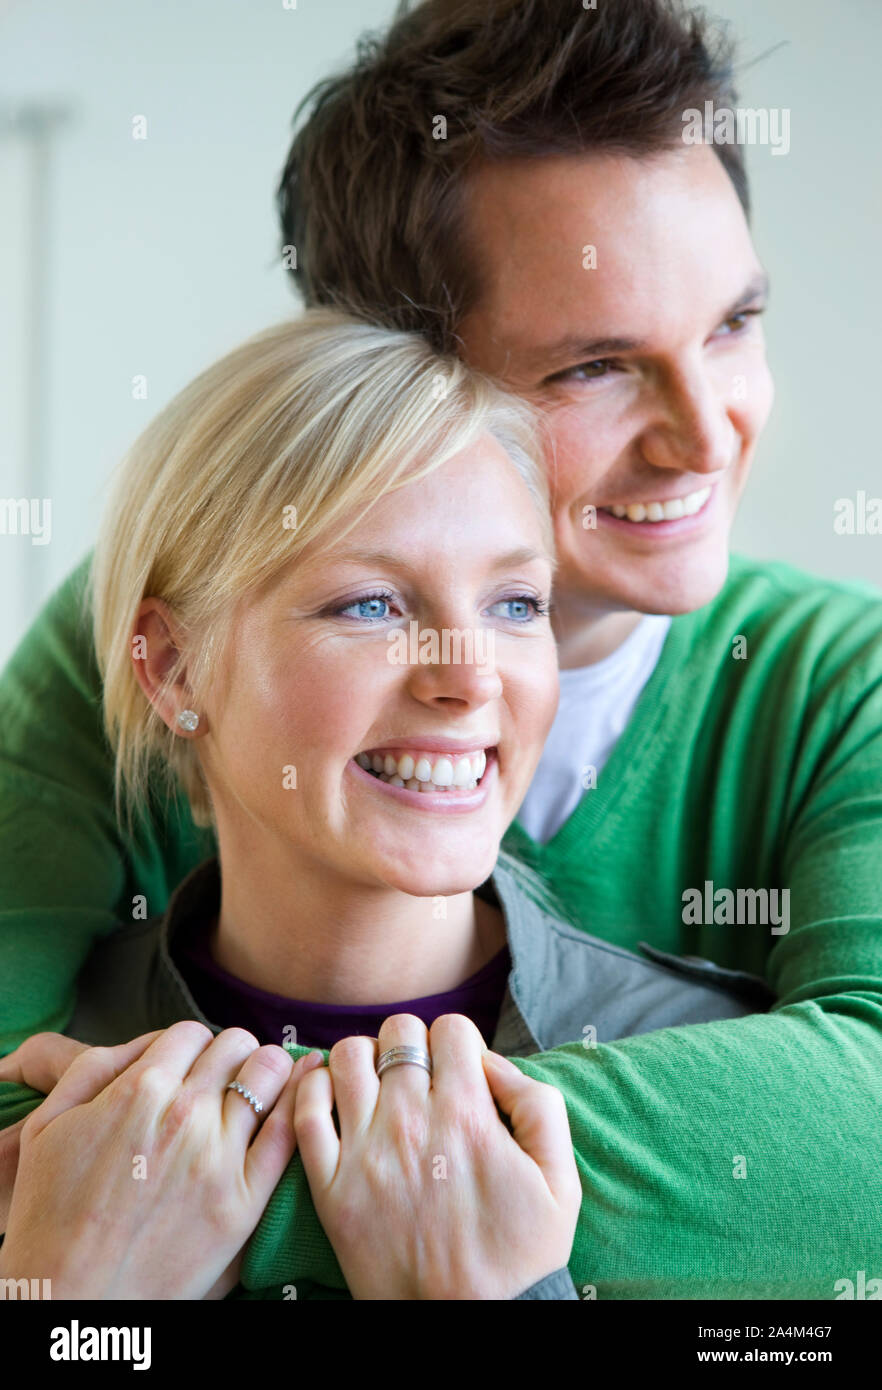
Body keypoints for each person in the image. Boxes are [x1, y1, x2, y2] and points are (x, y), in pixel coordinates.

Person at [2, 0, 881, 1299]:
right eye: (594, 366)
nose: (708, 432)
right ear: (382, 371)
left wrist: (175, 1194)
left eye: (731, 325)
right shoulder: (150, 632)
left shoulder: (832, 682)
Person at [0, 309, 758, 1300]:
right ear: (176, 667)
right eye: (372, 604)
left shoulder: (707, 1057)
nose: (469, 678)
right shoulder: (43, 1091)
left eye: (515, 604)